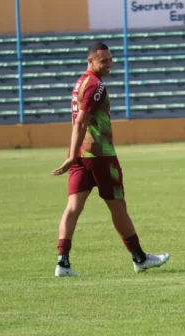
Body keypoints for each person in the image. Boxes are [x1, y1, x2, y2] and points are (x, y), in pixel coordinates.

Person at [51, 42, 169, 277]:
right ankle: (140, 258)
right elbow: (82, 122)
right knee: (118, 206)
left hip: (82, 156)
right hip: (100, 156)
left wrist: (72, 155)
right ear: (90, 61)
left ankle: (62, 262)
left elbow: (78, 123)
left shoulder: (80, 82)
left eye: (110, 60)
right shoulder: (96, 85)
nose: (109, 65)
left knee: (73, 208)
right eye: (103, 61)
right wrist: (72, 155)